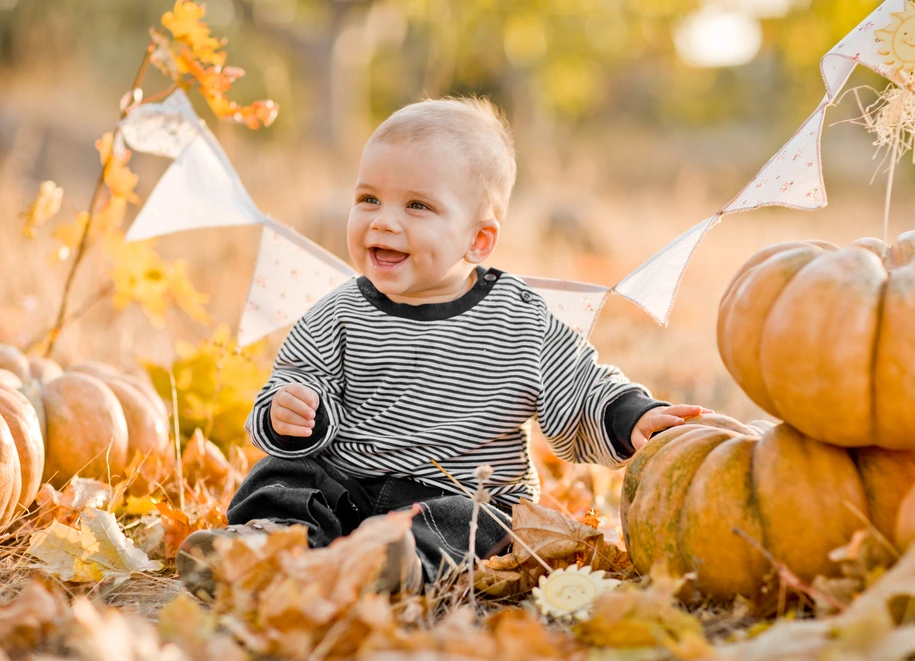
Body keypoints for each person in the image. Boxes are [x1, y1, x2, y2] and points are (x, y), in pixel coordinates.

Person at [176, 97, 708, 601]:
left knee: (481, 520)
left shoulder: (519, 318)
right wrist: (289, 414)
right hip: (349, 483)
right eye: (368, 199)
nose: (383, 220)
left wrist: (630, 416)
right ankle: (267, 545)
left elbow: (582, 384)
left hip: (455, 495)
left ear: (478, 240)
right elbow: (296, 381)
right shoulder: (337, 313)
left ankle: (396, 567)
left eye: (417, 205)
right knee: (285, 477)